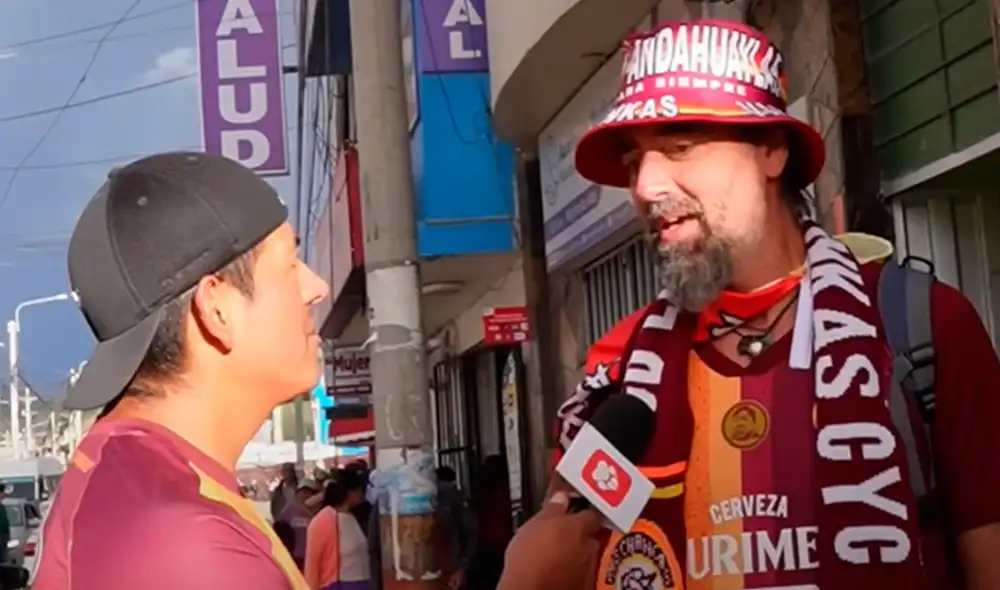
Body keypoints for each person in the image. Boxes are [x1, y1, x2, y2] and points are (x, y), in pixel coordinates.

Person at [498, 18, 1000, 590]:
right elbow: (568, 542)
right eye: (634, 161)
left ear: (772, 151)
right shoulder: (620, 368)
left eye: (680, 147)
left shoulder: (920, 330)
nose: (644, 187)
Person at [30, 152, 329, 589]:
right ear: (217, 309)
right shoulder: (188, 546)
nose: (317, 288)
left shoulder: (135, 479)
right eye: (290, 266)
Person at [304, 468, 371, 590]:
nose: (363, 493)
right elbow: (312, 563)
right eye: (360, 489)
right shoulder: (323, 520)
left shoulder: (356, 516)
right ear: (350, 492)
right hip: (341, 584)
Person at [435, 466, 477, 590]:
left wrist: (462, 568)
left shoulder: (450, 496)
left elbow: (471, 533)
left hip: (448, 573)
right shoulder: (452, 496)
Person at [277, 479, 320, 570]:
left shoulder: (320, 513)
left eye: (309, 492)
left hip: (313, 558)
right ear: (297, 494)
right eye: (303, 492)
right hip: (294, 558)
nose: (306, 495)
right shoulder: (289, 510)